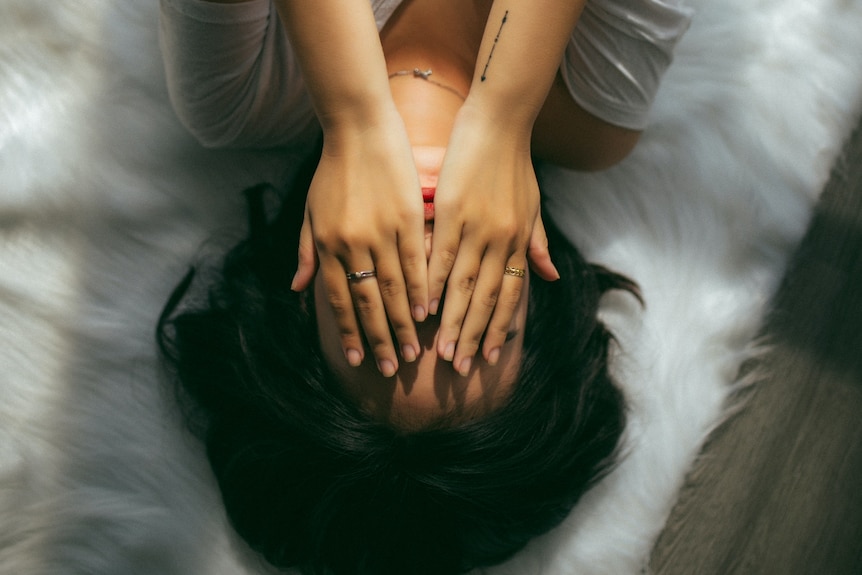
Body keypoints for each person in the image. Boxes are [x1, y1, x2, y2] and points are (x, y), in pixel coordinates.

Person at [156, 0, 689, 573]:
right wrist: (502, 115)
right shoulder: (597, 113)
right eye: (471, 315)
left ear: (302, 288)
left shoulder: (238, 91)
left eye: (382, 311)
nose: (427, 268)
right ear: (533, 285)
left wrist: (353, 119)